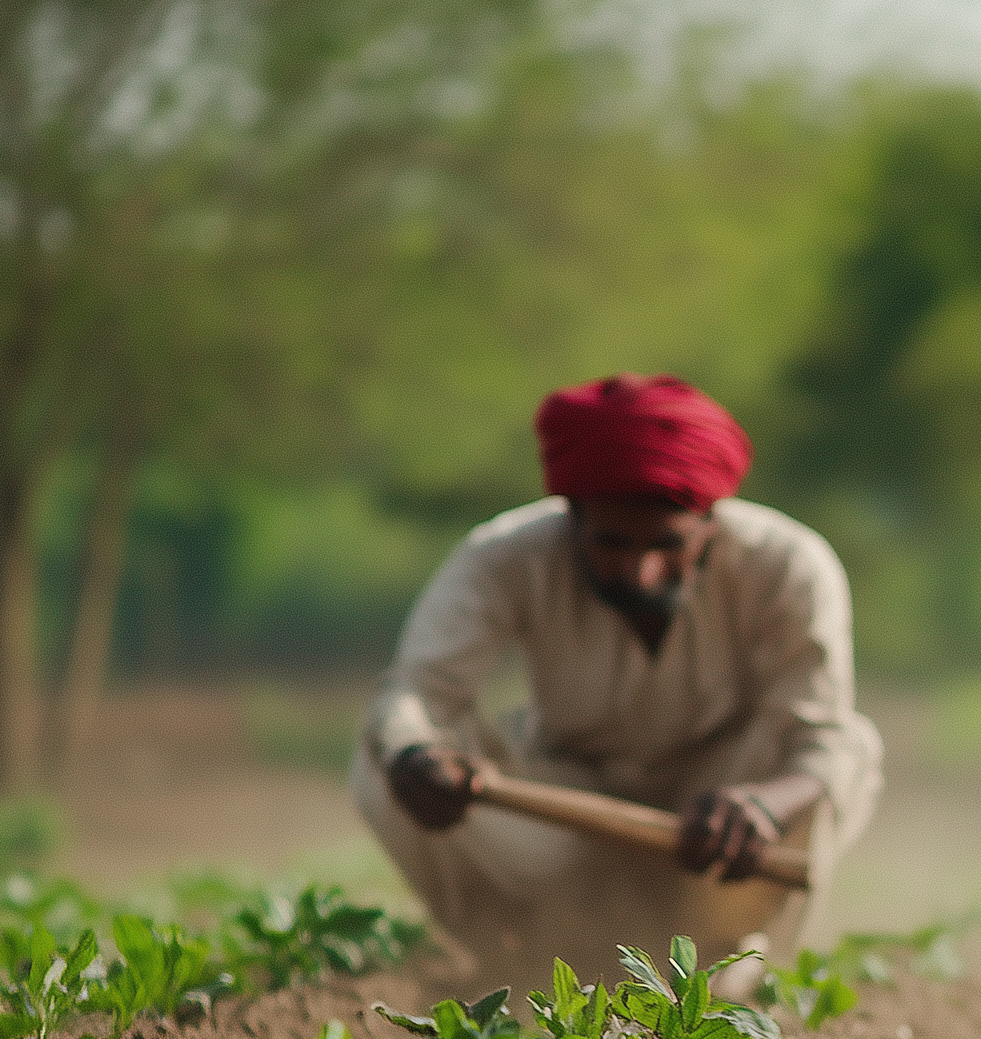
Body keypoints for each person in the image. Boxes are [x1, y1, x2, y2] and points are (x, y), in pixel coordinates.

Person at [351, 373, 882, 985]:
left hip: (716, 818)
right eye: (611, 544)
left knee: (854, 750)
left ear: (712, 519)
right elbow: (415, 692)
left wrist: (763, 804)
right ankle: (512, 951)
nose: (642, 573)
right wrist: (415, 757)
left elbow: (824, 741)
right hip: (561, 819)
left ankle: (731, 958)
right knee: (383, 759)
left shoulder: (789, 564)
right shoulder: (502, 557)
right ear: (570, 518)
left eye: (668, 545)